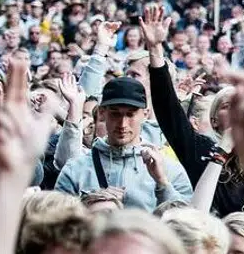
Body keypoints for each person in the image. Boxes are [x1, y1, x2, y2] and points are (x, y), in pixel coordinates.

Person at [55, 77, 193, 211]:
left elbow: (187, 223)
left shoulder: (168, 168)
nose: (122, 124)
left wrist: (162, 183)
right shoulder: (77, 168)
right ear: (102, 113)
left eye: (130, 114)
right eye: (115, 114)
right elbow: (57, 222)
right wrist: (92, 205)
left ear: (145, 114)